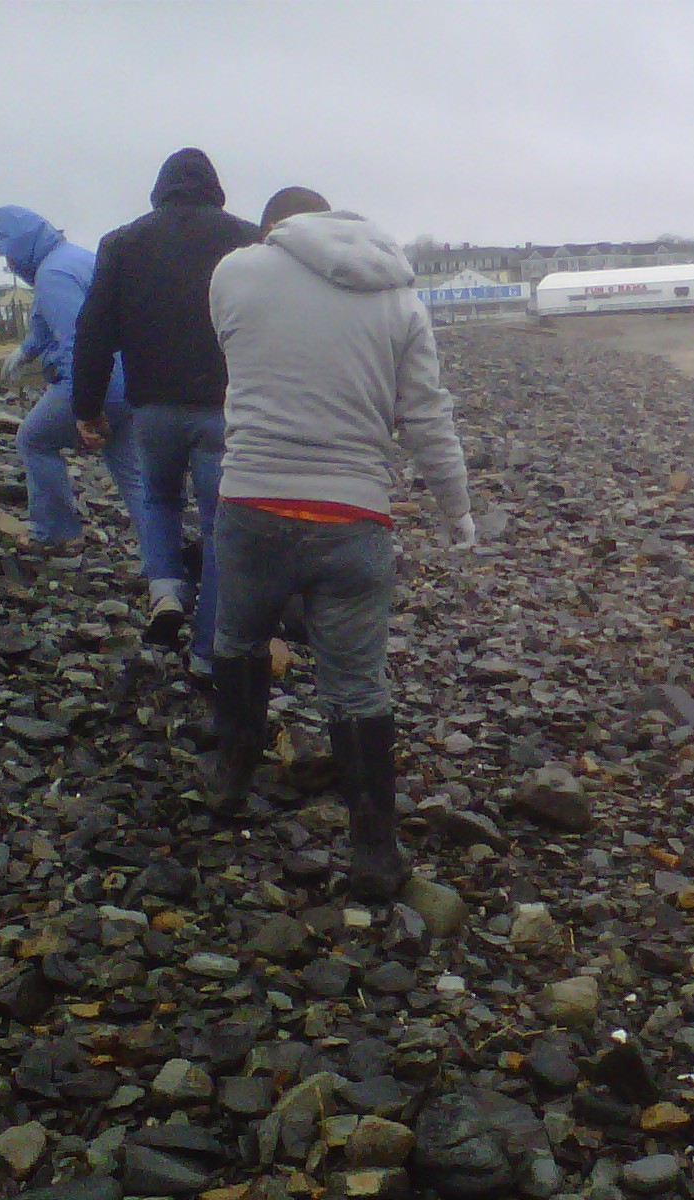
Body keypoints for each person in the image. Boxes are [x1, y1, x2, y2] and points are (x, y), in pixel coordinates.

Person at [205, 187, 475, 900]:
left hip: (253, 500)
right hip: (353, 513)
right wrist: (458, 512)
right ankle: (374, 851)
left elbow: (236, 359)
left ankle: (231, 777)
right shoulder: (400, 301)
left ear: (278, 229)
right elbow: (426, 419)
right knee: (357, 684)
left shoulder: (235, 272)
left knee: (237, 637)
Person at [73, 148, 260, 675]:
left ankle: (167, 590)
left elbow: (92, 332)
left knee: (158, 499)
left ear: (161, 189)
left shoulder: (122, 243)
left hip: (152, 408)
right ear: (214, 188)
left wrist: (87, 406)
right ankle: (207, 653)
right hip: (223, 410)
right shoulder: (246, 239)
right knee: (221, 525)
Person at [0, 206, 148, 561]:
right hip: (130, 381)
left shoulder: (53, 275)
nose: (8, 264)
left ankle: (55, 533)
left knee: (34, 440)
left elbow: (78, 344)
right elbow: (51, 322)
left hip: (97, 384)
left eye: (7, 253)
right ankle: (164, 559)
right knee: (132, 473)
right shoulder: (74, 260)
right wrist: (26, 351)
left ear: (21, 244)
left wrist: (88, 408)